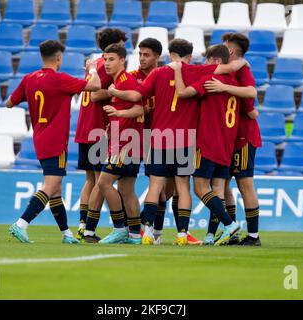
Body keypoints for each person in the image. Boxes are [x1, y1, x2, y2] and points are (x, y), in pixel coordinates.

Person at [109, 39, 219, 246]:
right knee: (182, 186)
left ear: (170, 54)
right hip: (185, 138)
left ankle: (149, 233)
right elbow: (226, 67)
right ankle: (182, 234)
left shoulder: (158, 73)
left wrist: (115, 92)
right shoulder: (197, 71)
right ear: (190, 55)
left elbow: (136, 95)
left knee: (155, 186)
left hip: (159, 137)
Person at [7, 40, 101, 244]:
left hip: (39, 140)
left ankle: (67, 234)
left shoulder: (29, 79)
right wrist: (92, 70)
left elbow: (9, 102)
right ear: (58, 58)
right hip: (56, 142)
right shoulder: (61, 80)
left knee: (56, 190)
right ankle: (21, 223)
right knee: (51, 186)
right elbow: (95, 86)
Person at [169, 44, 243, 246]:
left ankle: (229, 225)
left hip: (208, 143)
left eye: (208, 61)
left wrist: (177, 71)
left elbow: (182, 93)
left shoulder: (212, 79)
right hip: (227, 144)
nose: (205, 64)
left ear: (216, 62)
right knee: (217, 190)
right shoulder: (236, 83)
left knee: (200, 188)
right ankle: (211, 235)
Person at [204, 33, 262, 246]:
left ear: (230, 51)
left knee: (245, 183)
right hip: (226, 137)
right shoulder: (227, 68)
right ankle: (232, 231)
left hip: (244, 137)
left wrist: (224, 88)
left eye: (224, 46)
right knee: (224, 185)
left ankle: (254, 236)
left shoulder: (242, 69)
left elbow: (251, 93)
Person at [75, 28, 128, 241]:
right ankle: (89, 229)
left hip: (85, 127)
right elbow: (96, 95)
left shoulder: (93, 63)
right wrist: (119, 91)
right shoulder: (107, 65)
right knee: (100, 180)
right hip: (98, 129)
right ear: (114, 44)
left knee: (90, 179)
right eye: (122, 44)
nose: (125, 48)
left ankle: (81, 224)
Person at [95, 44, 144, 244]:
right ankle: (134, 234)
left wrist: (119, 113)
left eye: (112, 59)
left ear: (122, 60)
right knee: (126, 190)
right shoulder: (118, 82)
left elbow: (139, 108)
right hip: (124, 141)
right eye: (105, 59)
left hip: (125, 143)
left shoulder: (125, 80)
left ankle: (119, 228)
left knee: (104, 182)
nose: (107, 63)